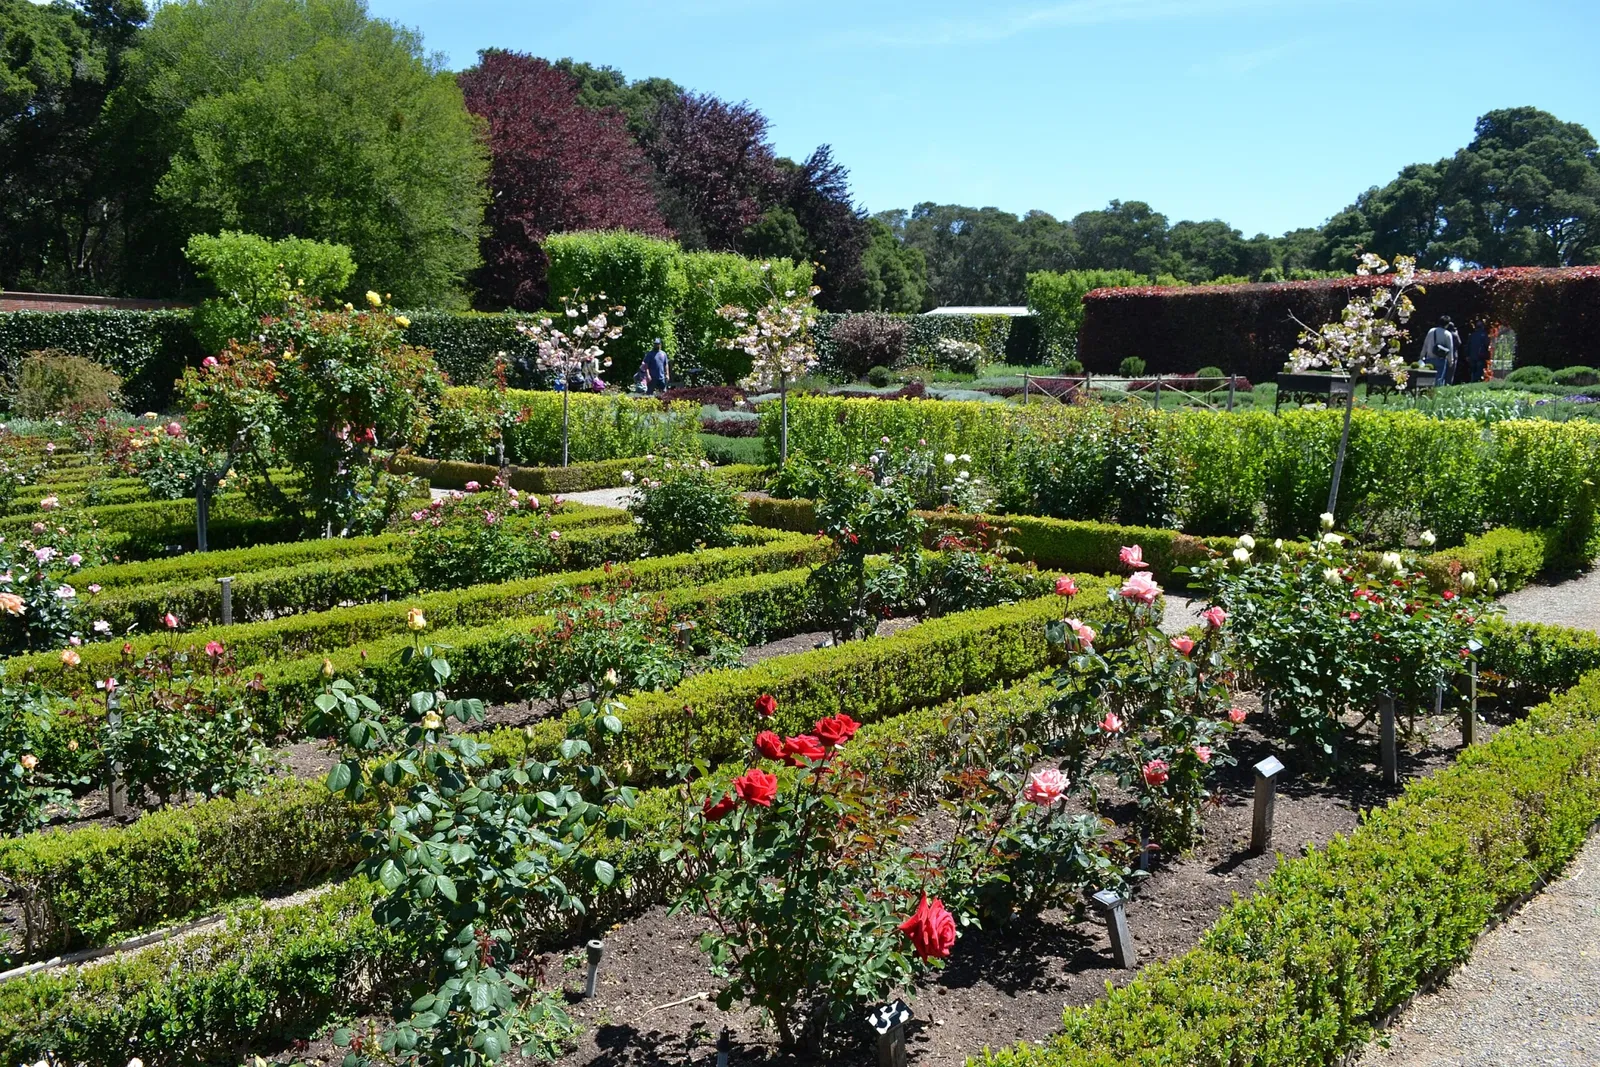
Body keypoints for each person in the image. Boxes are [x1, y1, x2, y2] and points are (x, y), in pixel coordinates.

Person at [1419, 315, 1457, 387]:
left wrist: (1422, 355)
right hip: (1441, 359)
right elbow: (1450, 348)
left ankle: (1427, 390)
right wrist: (1451, 361)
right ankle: (1436, 391)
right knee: (1439, 379)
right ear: (1447, 324)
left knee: (1428, 378)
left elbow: (1425, 344)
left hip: (1429, 358)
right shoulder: (1447, 334)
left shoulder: (1431, 331)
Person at [1463, 319, 1490, 384]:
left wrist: (1467, 355)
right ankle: (1477, 383)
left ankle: (1472, 382)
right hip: (1480, 356)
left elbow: (1468, 345)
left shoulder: (1472, 335)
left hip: (1472, 356)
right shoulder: (1484, 335)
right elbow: (1487, 344)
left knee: (1473, 371)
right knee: (1479, 371)